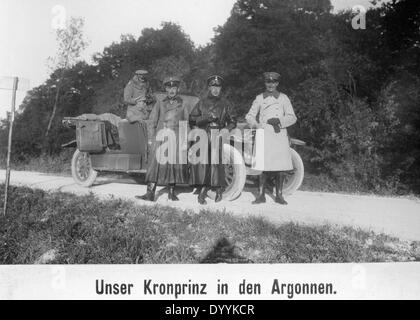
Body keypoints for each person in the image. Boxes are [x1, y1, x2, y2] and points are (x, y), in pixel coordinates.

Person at [245, 72, 297, 205]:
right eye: (268, 82)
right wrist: (257, 125)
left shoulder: (284, 98)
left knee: (280, 166)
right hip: (264, 133)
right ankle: (261, 195)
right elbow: (249, 116)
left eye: (273, 82)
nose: (271, 85)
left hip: (279, 133)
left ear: (277, 83)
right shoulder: (259, 98)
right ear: (265, 83)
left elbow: (292, 117)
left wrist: (279, 120)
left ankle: (279, 195)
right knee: (262, 166)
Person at [136, 76, 189, 202]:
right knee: (154, 164)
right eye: (169, 87)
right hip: (160, 137)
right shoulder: (160, 103)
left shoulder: (182, 104)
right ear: (166, 89)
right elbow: (152, 121)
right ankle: (150, 193)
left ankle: (171, 192)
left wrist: (184, 141)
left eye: (174, 87)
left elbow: (185, 123)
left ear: (177, 89)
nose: (172, 90)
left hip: (175, 137)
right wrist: (151, 139)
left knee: (173, 164)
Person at [189, 75, 237, 205]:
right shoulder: (201, 102)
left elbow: (233, 121)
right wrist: (205, 119)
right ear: (209, 87)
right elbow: (192, 119)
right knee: (204, 163)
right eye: (213, 86)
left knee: (216, 163)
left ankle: (219, 189)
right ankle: (203, 190)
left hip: (218, 134)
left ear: (221, 88)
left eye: (218, 87)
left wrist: (226, 129)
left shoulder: (226, 104)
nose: (216, 89)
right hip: (204, 133)